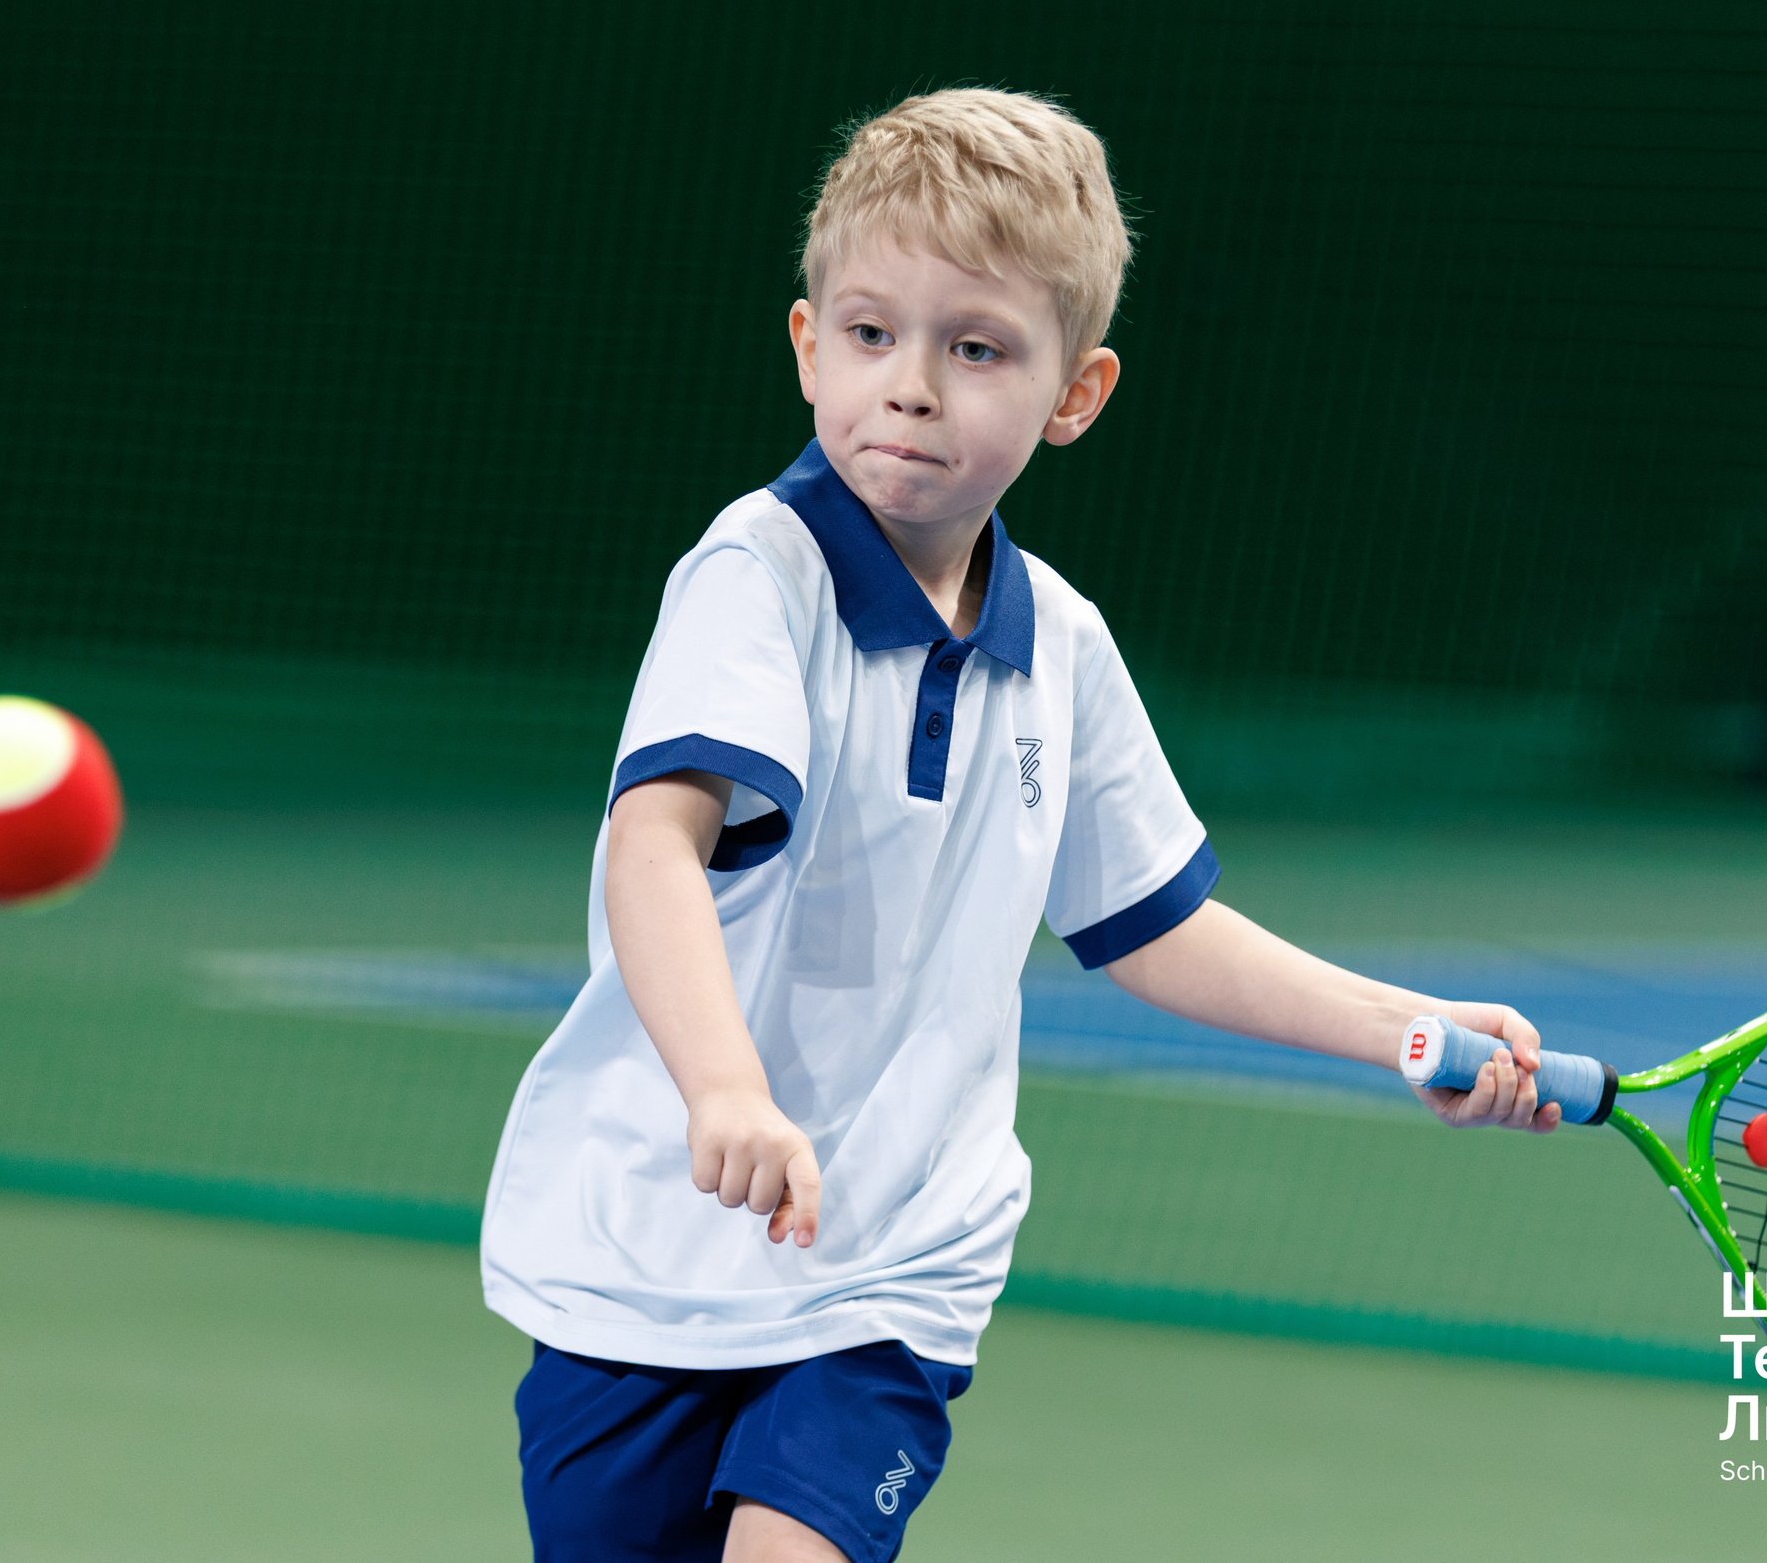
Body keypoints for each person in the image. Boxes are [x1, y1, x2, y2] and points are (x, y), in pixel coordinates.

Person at [480, 87, 1561, 1563]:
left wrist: (1401, 1025)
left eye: (975, 348)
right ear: (809, 347)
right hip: (638, 1254)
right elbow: (652, 846)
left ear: (1076, 393)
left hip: (895, 1268)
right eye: (870, 335)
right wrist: (725, 1089)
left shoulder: (1062, 643)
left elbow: (1156, 925)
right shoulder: (757, 574)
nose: (911, 386)